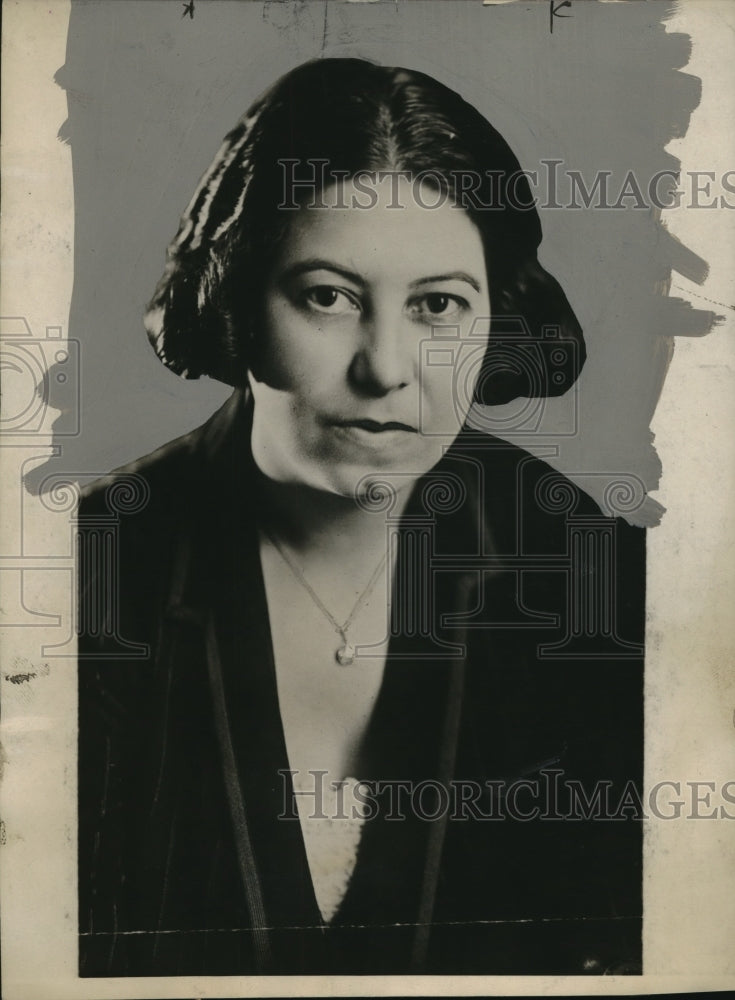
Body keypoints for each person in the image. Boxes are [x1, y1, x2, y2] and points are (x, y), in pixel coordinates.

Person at [78, 58, 645, 977]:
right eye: (328, 296)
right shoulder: (79, 579)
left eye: (437, 306)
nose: (386, 367)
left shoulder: (602, 581)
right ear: (233, 302)